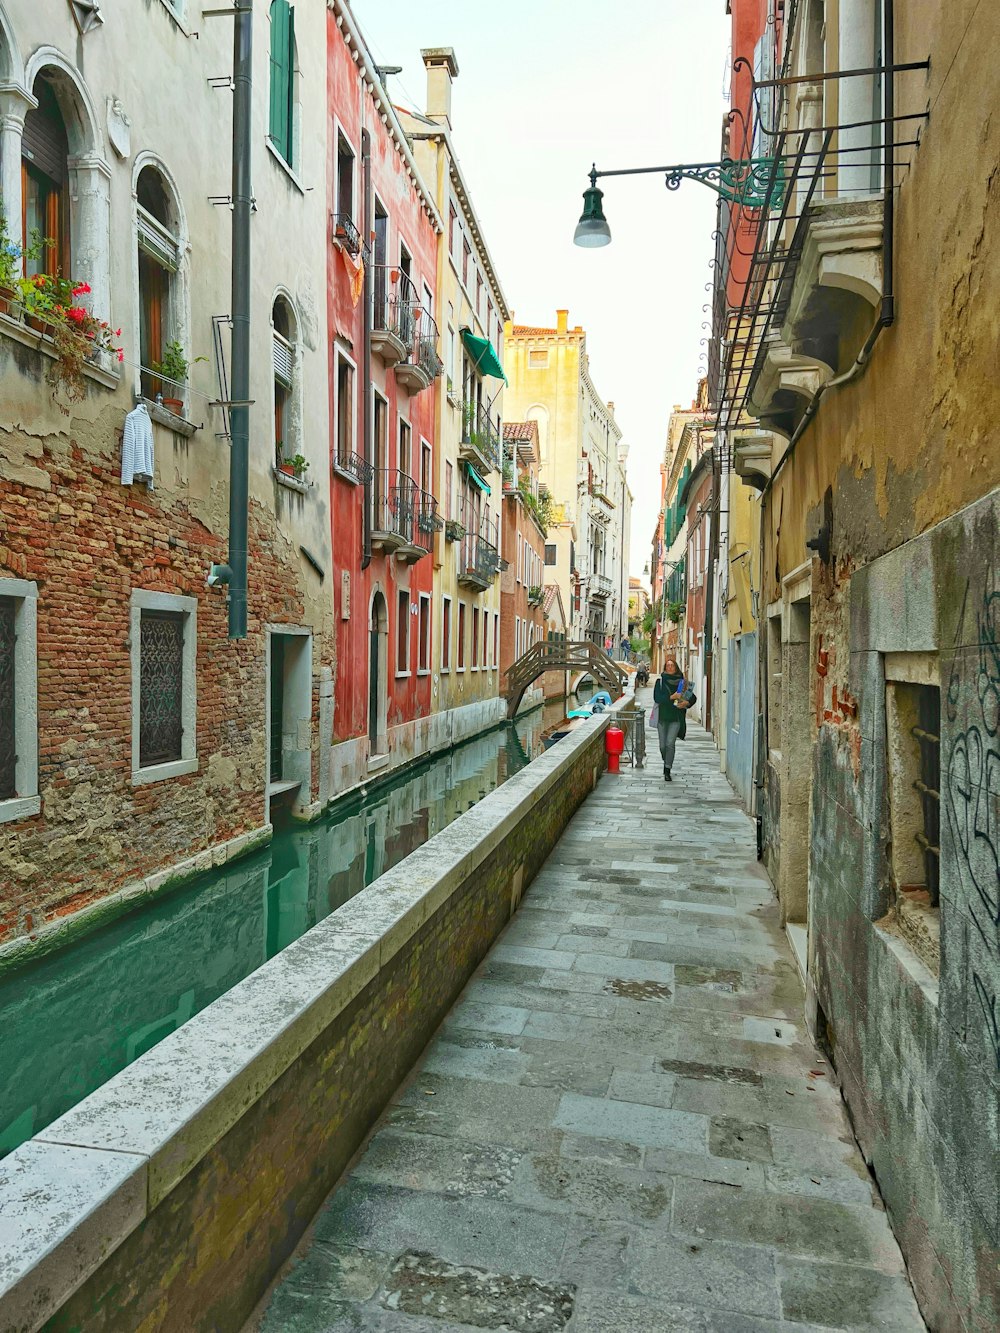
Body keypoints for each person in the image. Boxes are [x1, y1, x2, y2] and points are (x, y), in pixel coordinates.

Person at [652, 655, 694, 782]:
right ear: (665, 668)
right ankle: (667, 760)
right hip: (662, 717)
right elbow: (657, 698)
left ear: (676, 668)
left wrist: (686, 703)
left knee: (670, 744)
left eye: (672, 665)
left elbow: (692, 697)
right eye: (668, 665)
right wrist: (672, 697)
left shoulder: (682, 682)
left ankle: (667, 769)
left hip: (676, 718)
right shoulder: (660, 682)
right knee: (662, 746)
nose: (670, 667)